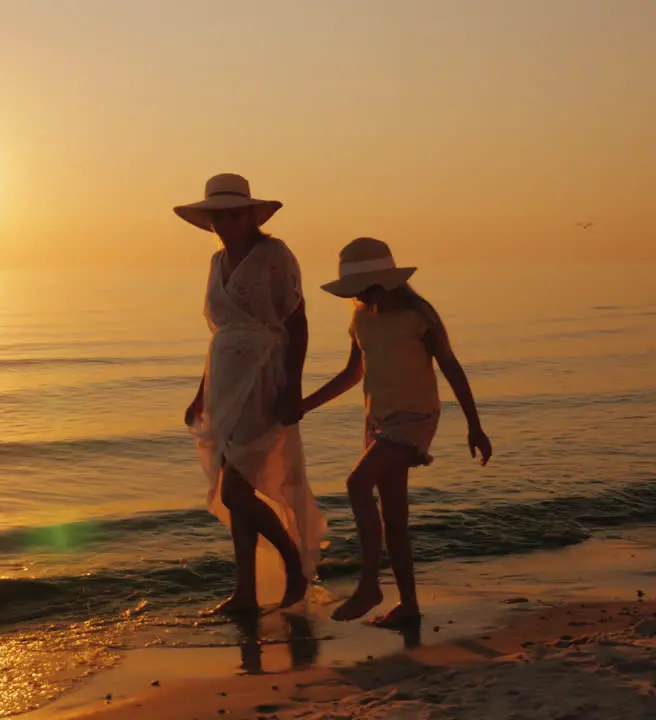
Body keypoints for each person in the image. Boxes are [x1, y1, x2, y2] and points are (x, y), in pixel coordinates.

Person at [303, 237, 493, 626]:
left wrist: (475, 426)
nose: (355, 295)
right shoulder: (359, 318)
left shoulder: (418, 315)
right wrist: (303, 406)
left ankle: (369, 583)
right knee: (394, 519)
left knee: (358, 482)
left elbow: (451, 368)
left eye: (361, 287)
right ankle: (408, 606)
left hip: (415, 418)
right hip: (379, 421)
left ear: (383, 282)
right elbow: (352, 374)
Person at [176, 173, 326, 614]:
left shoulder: (274, 255)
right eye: (217, 216)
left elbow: (296, 323)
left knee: (236, 491)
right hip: (224, 376)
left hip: (264, 375)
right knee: (232, 486)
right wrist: (201, 393)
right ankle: (245, 592)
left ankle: (294, 563)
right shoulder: (216, 260)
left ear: (250, 215)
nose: (225, 222)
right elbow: (220, 333)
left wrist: (293, 387)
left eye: (233, 214)